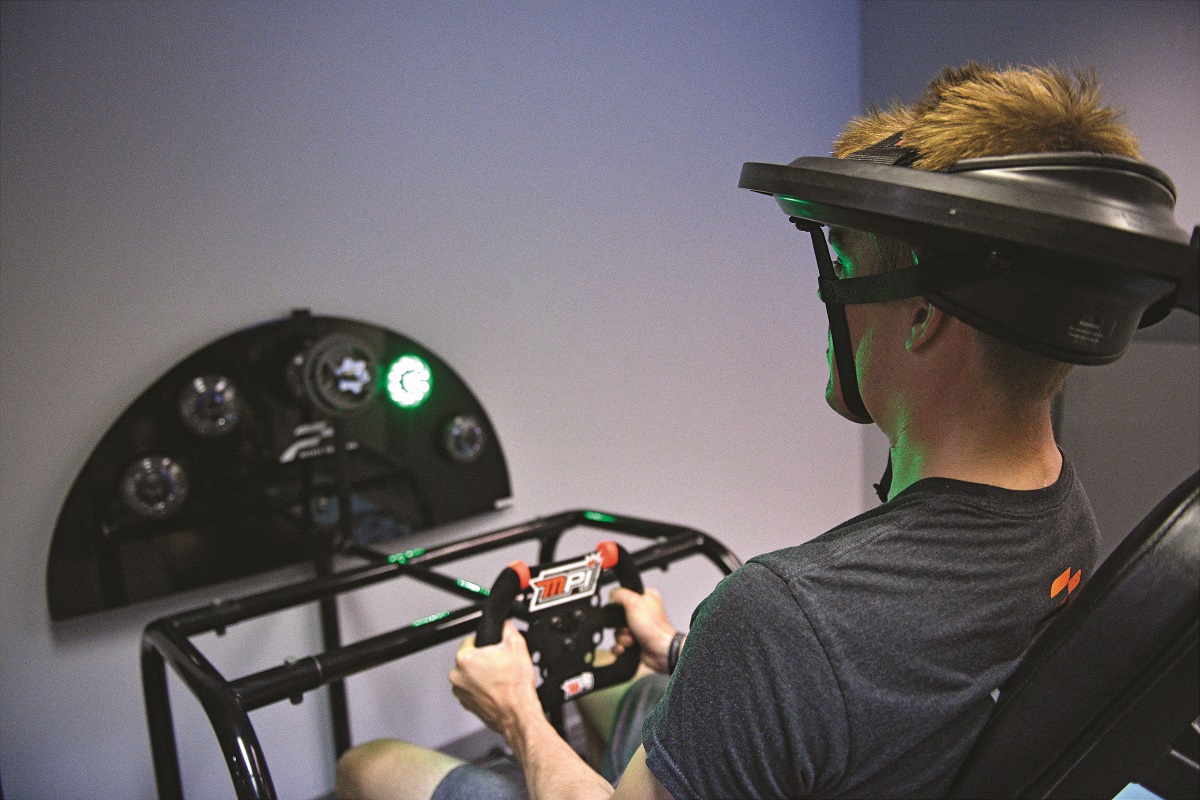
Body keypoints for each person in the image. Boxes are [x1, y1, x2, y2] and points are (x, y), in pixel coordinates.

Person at [335, 62, 1139, 799]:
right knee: (618, 674)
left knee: (371, 766)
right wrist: (687, 652)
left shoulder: (782, 613)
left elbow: (812, 652)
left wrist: (517, 716)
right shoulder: (1064, 515)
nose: (831, 306)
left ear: (925, 316)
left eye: (848, 270)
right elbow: (891, 687)